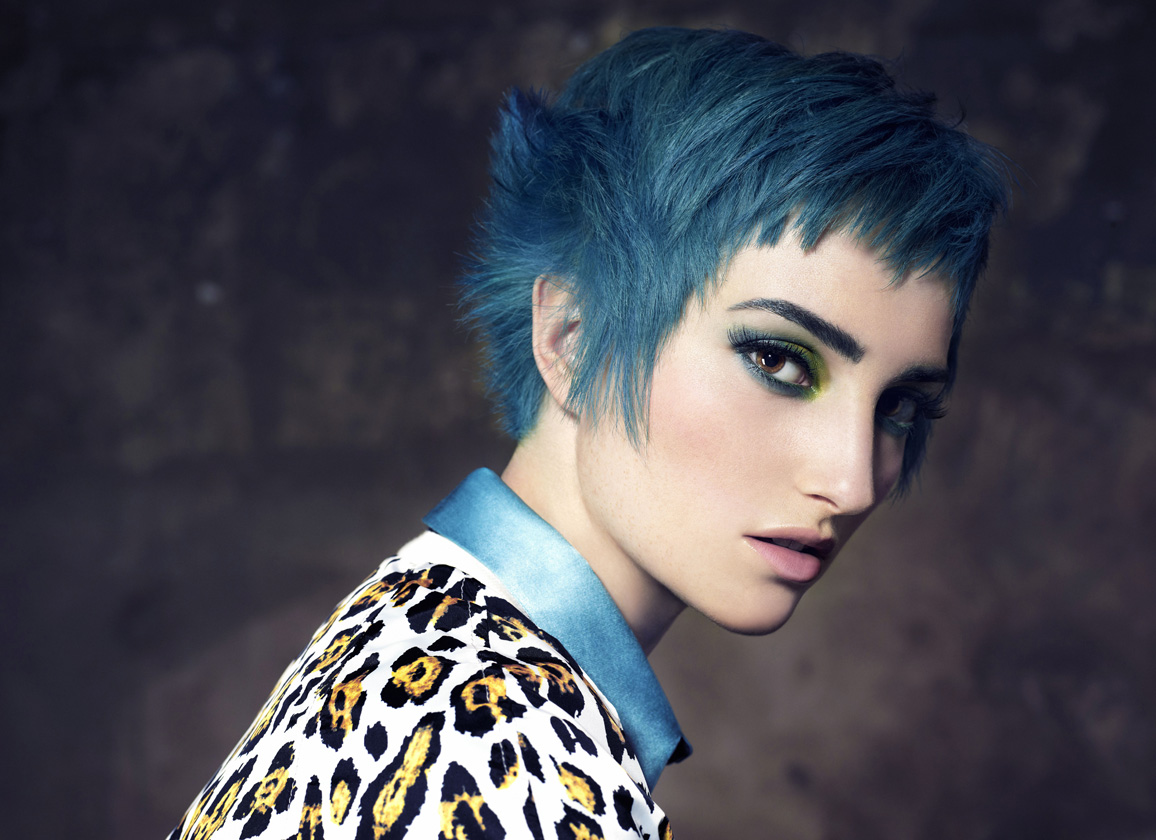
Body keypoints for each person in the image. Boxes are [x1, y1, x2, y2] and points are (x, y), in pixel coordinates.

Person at [168, 27, 1009, 840]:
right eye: (779, 361)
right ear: (572, 337)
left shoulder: (417, 642)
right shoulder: (490, 746)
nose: (854, 482)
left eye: (900, 406)